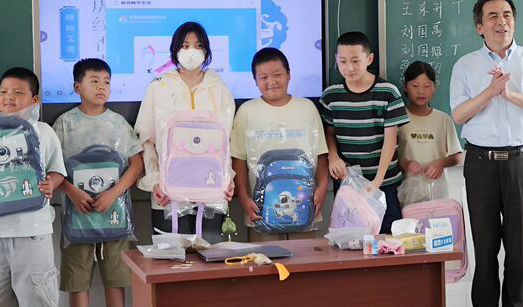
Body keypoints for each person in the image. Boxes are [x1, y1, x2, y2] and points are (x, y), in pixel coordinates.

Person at [450, 0, 523, 307]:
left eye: (507, 14)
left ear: (514, 21)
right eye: (493, 16)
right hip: (480, 164)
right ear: (480, 27)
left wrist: (511, 95)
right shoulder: (465, 65)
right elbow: (459, 114)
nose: (502, 21)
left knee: (518, 252)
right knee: (485, 252)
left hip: (521, 163)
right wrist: (491, 92)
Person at [0, 67, 66, 307]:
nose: (9, 97)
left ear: (34, 100)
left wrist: (51, 182)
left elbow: (58, 170)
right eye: (4, 91)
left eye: (18, 92)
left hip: (31, 230)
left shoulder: (43, 131)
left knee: (37, 299)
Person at [53, 58, 143, 307]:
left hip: (115, 214)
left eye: (106, 82)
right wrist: (72, 192)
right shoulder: (64, 124)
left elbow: (137, 164)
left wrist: (114, 193)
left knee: (115, 280)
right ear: (77, 87)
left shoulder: (119, 123)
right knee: (77, 281)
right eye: (94, 81)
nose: (102, 87)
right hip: (77, 215)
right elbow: (52, 167)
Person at [136, 21, 235, 242]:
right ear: (175, 49)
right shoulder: (158, 87)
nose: (192, 51)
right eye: (185, 45)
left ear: (206, 50)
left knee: (209, 255)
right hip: (168, 193)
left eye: (198, 45)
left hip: (211, 192)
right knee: (172, 257)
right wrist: (154, 181)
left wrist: (228, 179)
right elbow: (146, 139)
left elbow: (227, 142)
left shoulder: (219, 89)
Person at [231, 47, 329, 241]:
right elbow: (239, 160)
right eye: (263, 77)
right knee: (263, 259)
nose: (271, 82)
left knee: (306, 258)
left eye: (277, 75)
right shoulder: (246, 111)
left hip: (304, 205)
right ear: (255, 80)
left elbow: (321, 154)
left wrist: (322, 188)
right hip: (260, 210)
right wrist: (243, 198)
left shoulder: (307, 108)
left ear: (289, 74)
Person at [320, 31, 409, 234]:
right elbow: (329, 133)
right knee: (350, 239)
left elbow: (390, 140)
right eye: (343, 61)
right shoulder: (331, 96)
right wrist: (333, 156)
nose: (349, 68)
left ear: (369, 59)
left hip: (385, 183)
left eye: (355, 61)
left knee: (387, 238)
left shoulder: (388, 92)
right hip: (349, 184)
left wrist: (377, 181)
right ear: (336, 60)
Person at [397, 61, 462, 200]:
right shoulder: (398, 119)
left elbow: (458, 157)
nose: (421, 91)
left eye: (427, 86)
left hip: (437, 193)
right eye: (415, 86)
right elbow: (389, 155)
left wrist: (441, 163)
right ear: (406, 87)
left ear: (434, 88)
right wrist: (406, 164)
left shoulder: (443, 119)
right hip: (406, 193)